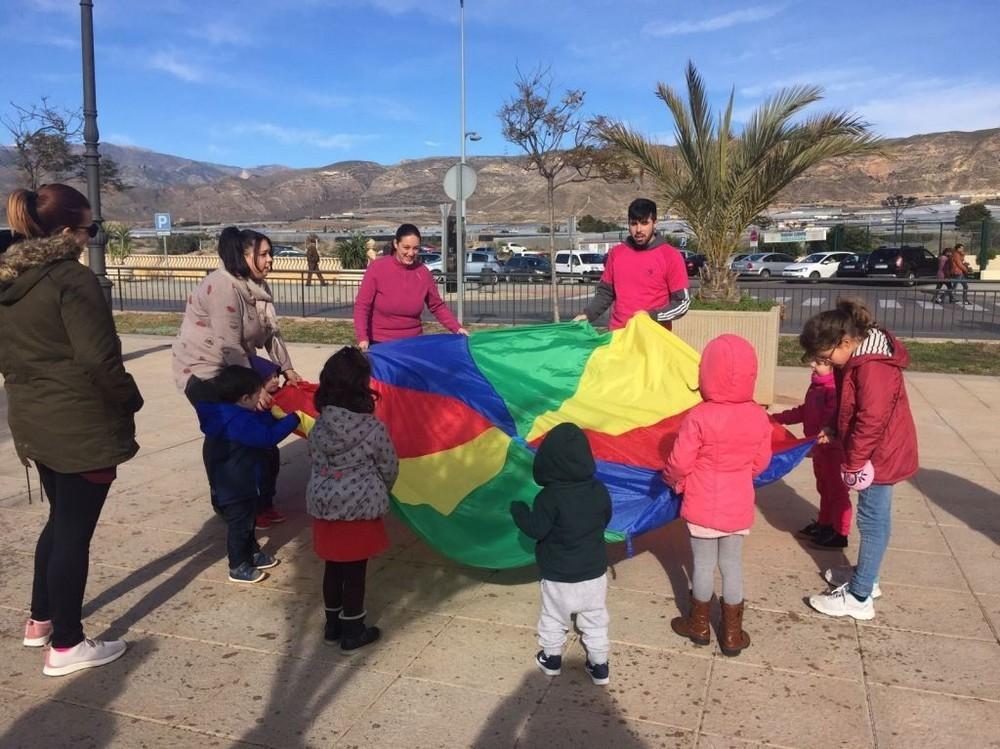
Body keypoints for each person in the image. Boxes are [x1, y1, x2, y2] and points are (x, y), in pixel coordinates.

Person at [0, 184, 144, 677]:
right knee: (73, 535)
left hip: (34, 420)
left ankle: (40, 619)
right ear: (67, 232)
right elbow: (98, 360)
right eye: (91, 229)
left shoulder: (12, 279)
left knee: (61, 521)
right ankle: (66, 643)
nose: (91, 237)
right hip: (80, 426)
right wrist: (131, 398)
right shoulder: (71, 280)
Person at [172, 226, 302, 528]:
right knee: (230, 439)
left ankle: (262, 501)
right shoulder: (223, 286)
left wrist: (286, 367)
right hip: (205, 372)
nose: (271, 260)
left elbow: (271, 332)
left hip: (235, 369)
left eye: (271, 253)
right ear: (245, 256)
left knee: (261, 438)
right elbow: (229, 345)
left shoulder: (256, 288)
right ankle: (230, 501)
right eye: (264, 254)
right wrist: (255, 390)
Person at [801, 299, 918, 620]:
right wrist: (834, 428)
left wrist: (854, 460)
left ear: (846, 342)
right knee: (873, 518)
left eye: (825, 357)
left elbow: (872, 418)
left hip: (879, 451)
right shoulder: (855, 359)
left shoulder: (872, 366)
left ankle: (860, 596)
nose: (825, 363)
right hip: (874, 449)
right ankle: (867, 576)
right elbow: (850, 402)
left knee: (872, 521)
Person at [664, 335, 772, 657]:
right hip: (737, 504)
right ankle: (732, 634)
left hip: (701, 503)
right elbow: (761, 461)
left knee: (703, 564)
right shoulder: (757, 415)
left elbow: (680, 462)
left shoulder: (699, 416)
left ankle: (698, 626)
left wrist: (673, 482)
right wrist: (742, 477)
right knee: (732, 565)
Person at [307, 347, 398, 652]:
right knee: (355, 573)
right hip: (359, 510)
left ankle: (331, 625)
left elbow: (313, 459)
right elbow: (389, 466)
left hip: (324, 508)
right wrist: (382, 489)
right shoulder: (373, 428)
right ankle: (353, 630)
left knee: (332, 568)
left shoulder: (319, 426)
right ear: (362, 385)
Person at [510, 423, 613, 685]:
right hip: (593, 572)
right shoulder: (598, 490)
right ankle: (599, 666)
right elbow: (606, 518)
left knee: (554, 617)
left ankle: (552, 658)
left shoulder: (549, 497)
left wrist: (519, 511)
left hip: (559, 575)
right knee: (595, 619)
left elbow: (537, 529)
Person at [195, 365, 300, 583]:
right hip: (235, 488)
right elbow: (266, 438)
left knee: (248, 523)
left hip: (245, 482)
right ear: (244, 398)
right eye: (257, 395)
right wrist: (294, 419)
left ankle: (251, 553)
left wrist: (275, 416)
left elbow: (262, 425)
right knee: (240, 527)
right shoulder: (238, 421)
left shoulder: (236, 413)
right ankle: (237, 565)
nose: (260, 399)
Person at [573, 198, 689, 330]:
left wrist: (652, 316)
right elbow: (605, 293)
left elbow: (682, 303)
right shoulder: (616, 254)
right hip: (619, 337)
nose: (638, 229)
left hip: (653, 340)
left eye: (644, 223)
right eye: (634, 224)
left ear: (655, 223)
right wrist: (587, 315)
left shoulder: (670, 256)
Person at [772, 357, 851, 549]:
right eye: (814, 361)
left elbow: (831, 419)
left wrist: (817, 442)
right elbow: (804, 411)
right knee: (824, 487)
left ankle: (840, 533)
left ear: (833, 366)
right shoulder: (816, 386)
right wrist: (776, 419)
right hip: (819, 449)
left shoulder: (834, 389)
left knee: (837, 491)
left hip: (833, 450)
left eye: (819, 362)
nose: (813, 365)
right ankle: (825, 524)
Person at [353, 223, 468, 350]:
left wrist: (457, 328)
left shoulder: (423, 273)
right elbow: (362, 306)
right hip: (381, 343)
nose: (411, 253)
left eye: (415, 248)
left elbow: (437, 306)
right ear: (396, 244)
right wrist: (363, 338)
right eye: (406, 247)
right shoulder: (377, 268)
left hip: (413, 343)